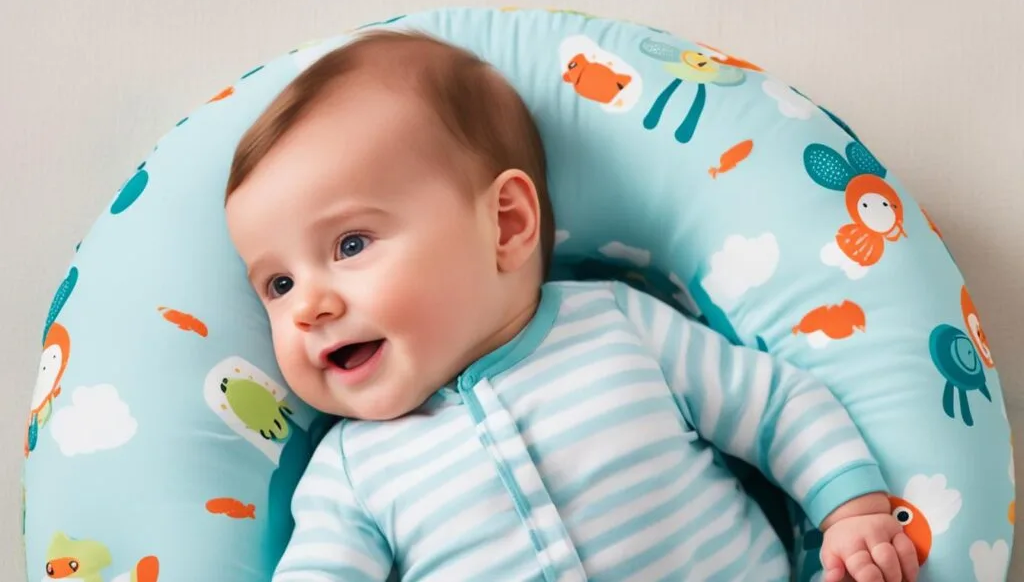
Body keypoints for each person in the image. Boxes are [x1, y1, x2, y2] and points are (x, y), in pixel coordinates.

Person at [223, 28, 919, 582]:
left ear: (506, 224)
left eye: (350, 244)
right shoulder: (351, 472)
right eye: (277, 284)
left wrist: (850, 511)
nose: (308, 306)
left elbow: (774, 406)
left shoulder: (616, 326)